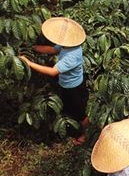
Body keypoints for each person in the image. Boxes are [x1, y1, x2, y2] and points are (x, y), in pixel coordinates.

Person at [20, 17, 89, 145]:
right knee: (69, 107)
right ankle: (72, 125)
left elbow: (52, 72)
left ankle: (86, 134)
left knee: (81, 113)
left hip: (75, 88)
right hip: (66, 84)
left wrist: (28, 63)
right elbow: (51, 50)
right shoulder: (67, 44)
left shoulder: (72, 55)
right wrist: (32, 47)